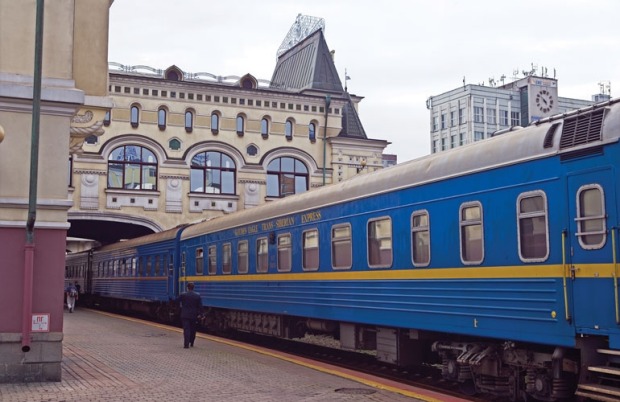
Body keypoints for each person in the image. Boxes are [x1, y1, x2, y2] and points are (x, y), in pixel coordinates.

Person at [177, 282, 202, 349]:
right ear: (193, 288)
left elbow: (177, 300)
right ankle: (192, 343)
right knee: (193, 330)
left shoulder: (183, 295)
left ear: (187, 288)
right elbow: (200, 306)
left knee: (186, 330)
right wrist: (200, 314)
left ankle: (186, 345)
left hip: (185, 315)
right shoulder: (197, 295)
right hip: (194, 315)